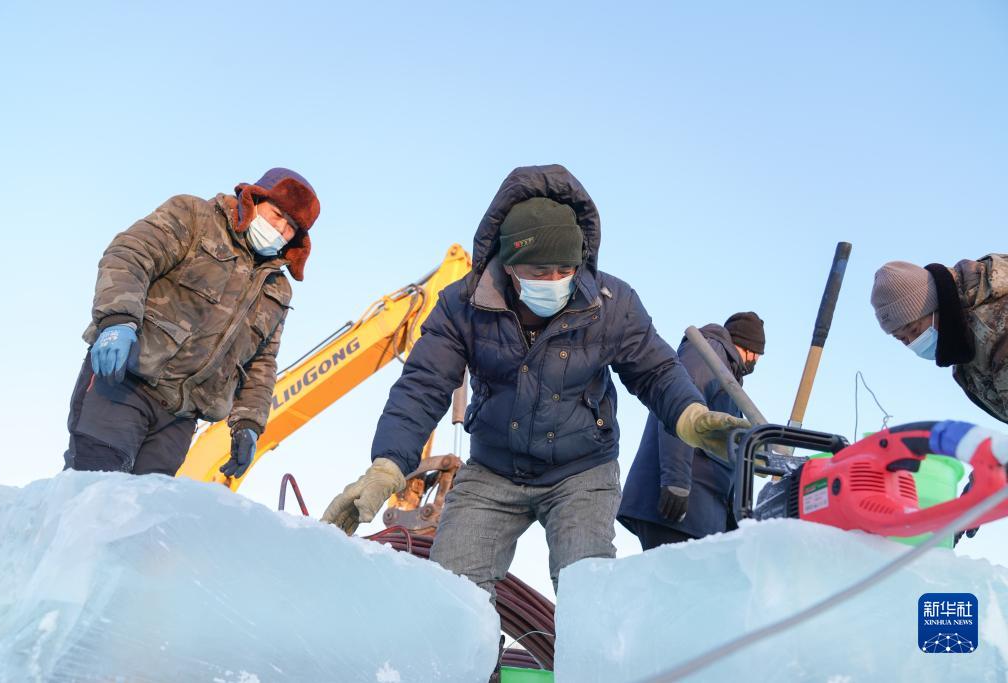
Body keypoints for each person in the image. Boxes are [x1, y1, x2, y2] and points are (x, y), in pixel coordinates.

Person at [322, 164, 748, 598]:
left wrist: (691, 415)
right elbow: (423, 385)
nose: (555, 281)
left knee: (588, 596)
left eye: (565, 268)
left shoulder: (612, 303)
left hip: (582, 469)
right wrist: (389, 465)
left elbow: (656, 370)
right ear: (508, 264)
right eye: (540, 271)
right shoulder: (461, 305)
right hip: (493, 468)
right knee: (450, 592)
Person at [64, 168, 320, 479]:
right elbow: (130, 255)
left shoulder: (277, 289)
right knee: (94, 489)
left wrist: (249, 423)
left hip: (179, 419)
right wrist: (118, 320)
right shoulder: (195, 217)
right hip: (125, 383)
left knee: (143, 506)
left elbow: (262, 362)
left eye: (291, 227)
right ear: (253, 200)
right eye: (277, 215)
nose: (280, 229)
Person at [617, 313, 765, 549]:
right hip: (682, 506)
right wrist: (676, 480)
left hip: (701, 513)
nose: (756, 359)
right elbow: (679, 408)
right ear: (746, 346)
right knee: (674, 572)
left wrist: (732, 521)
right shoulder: (708, 353)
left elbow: (726, 451)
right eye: (756, 352)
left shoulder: (728, 378)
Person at [871, 256, 1008, 424]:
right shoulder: (962, 348)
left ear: (937, 307)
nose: (913, 342)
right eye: (902, 339)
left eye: (914, 330)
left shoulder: (996, 328)